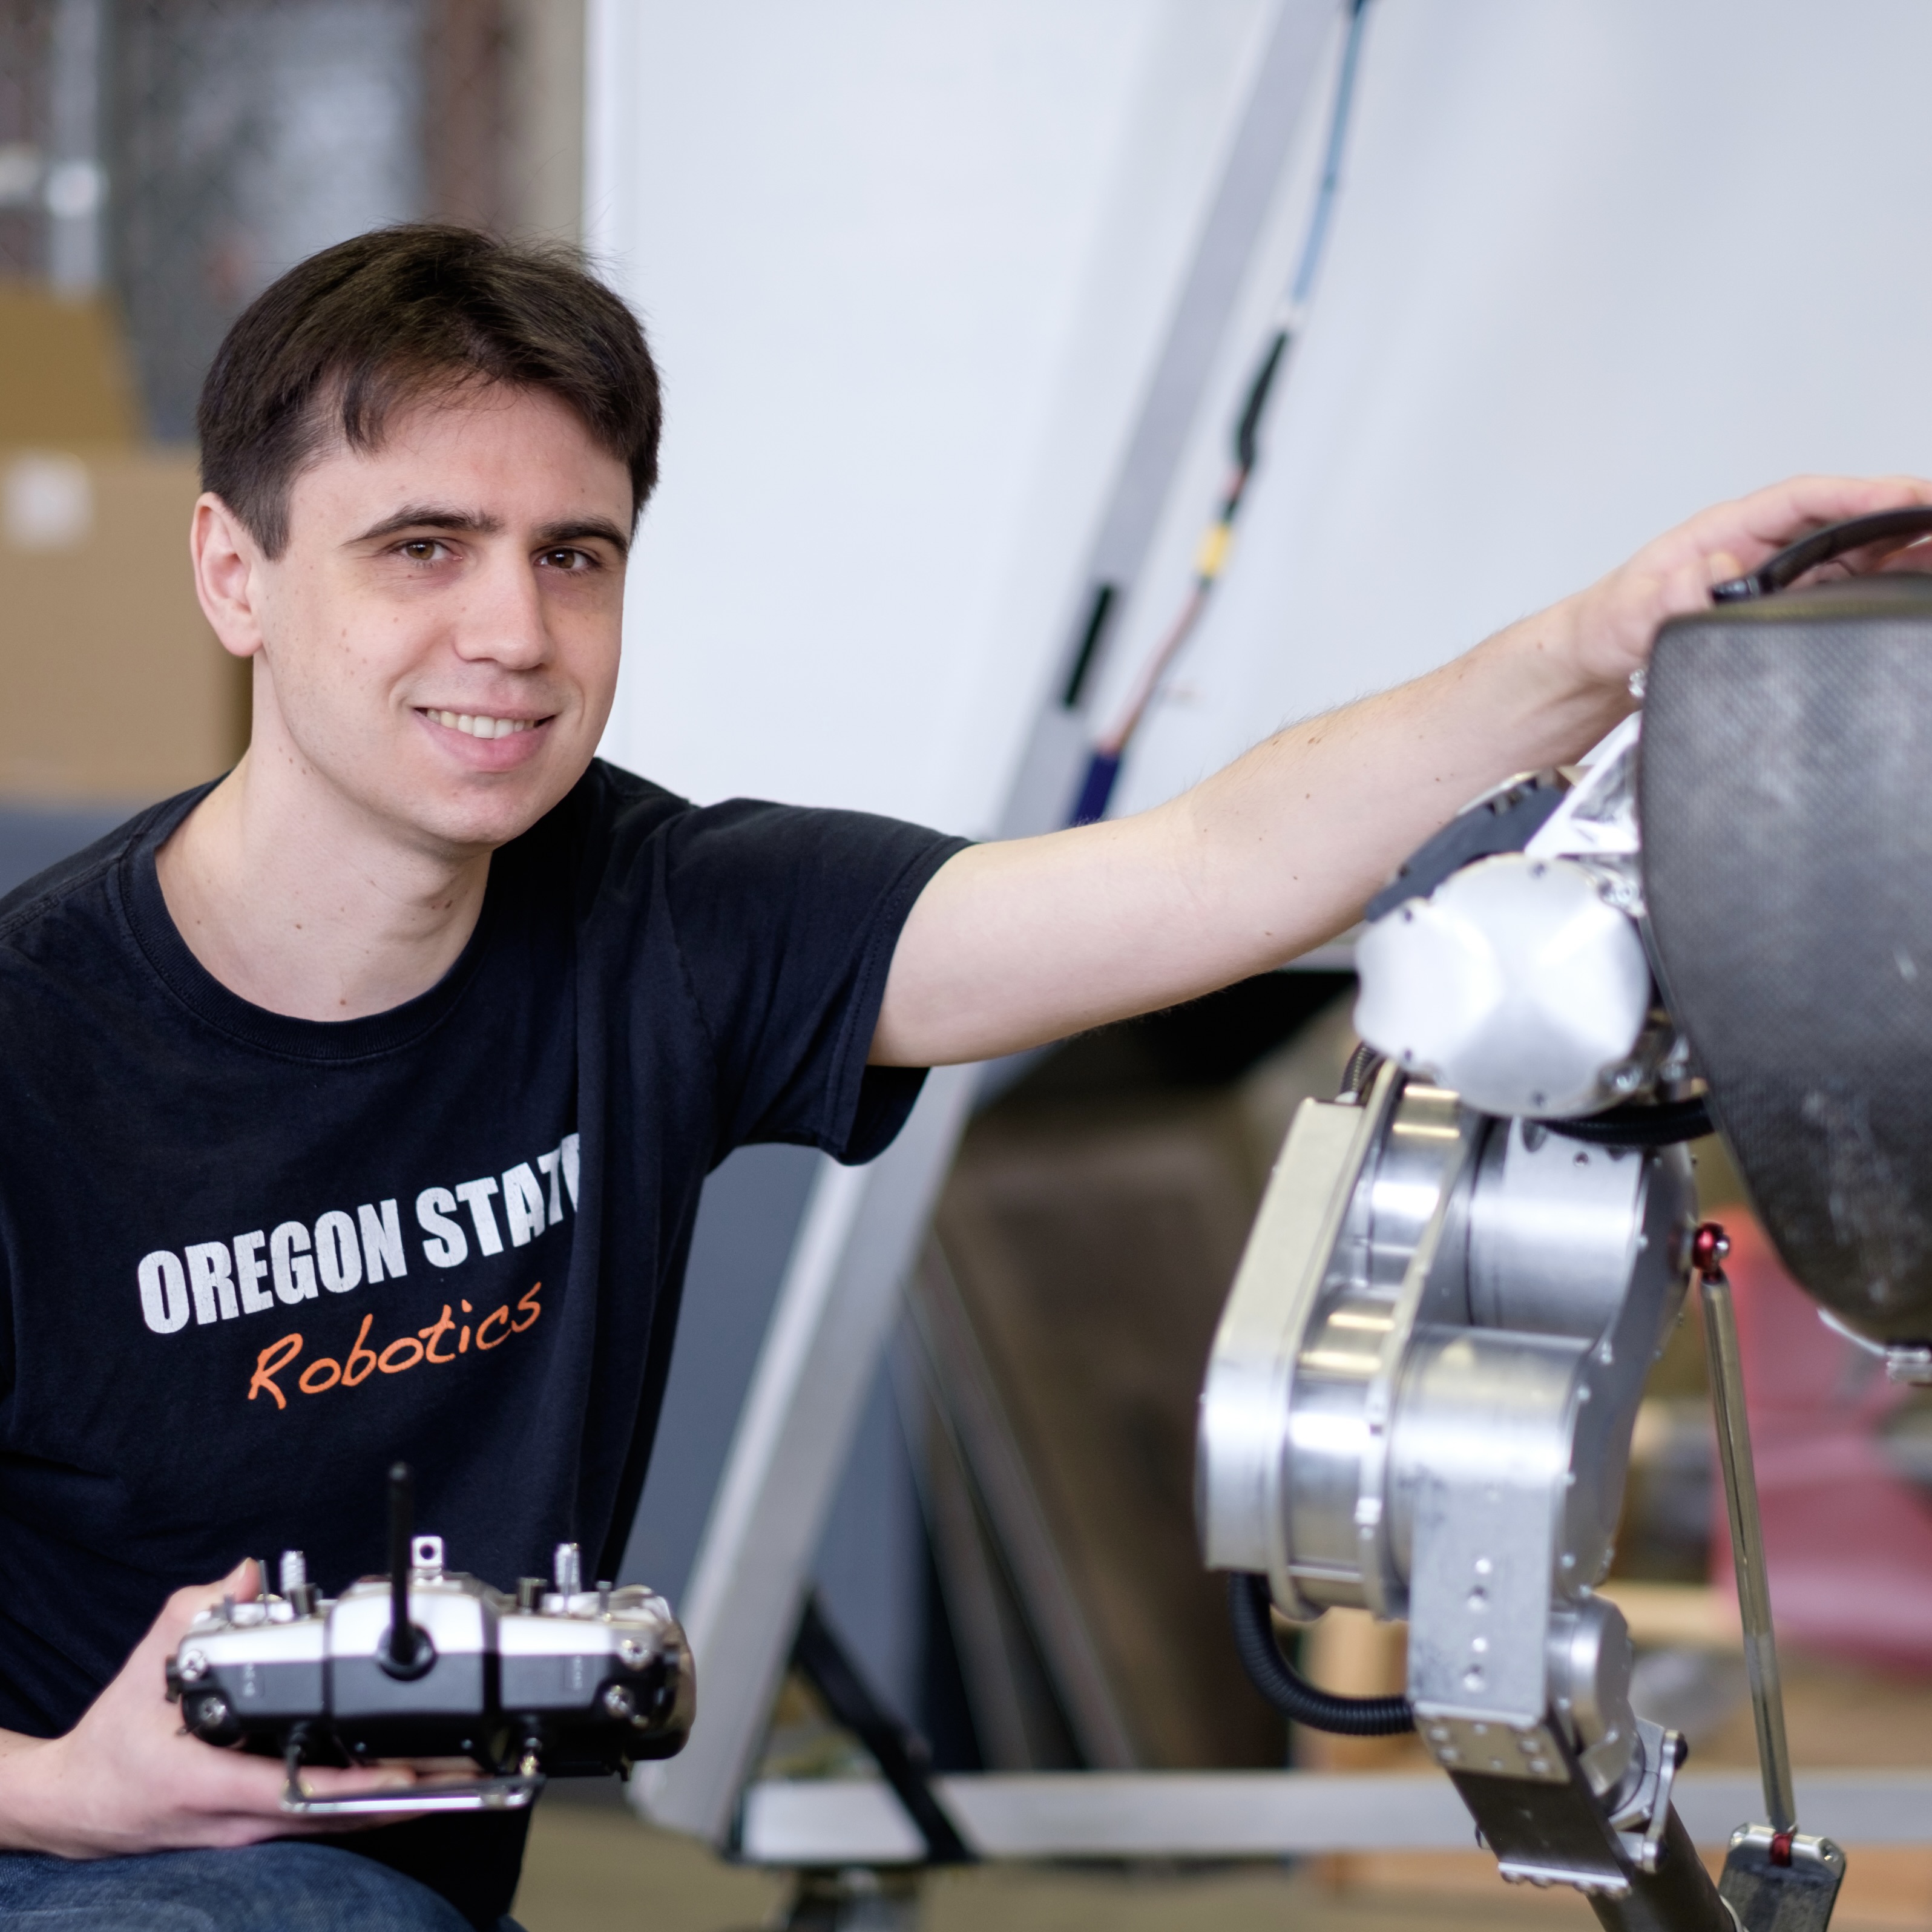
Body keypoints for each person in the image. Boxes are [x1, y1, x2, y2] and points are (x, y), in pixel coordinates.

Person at [0, 224, 1920, 1931]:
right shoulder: (34, 1046)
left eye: (571, 556)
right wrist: (75, 1791)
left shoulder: (660, 923)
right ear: (234, 573)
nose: (512, 633)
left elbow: (1211, 871)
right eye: (423, 548)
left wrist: (1603, 642)